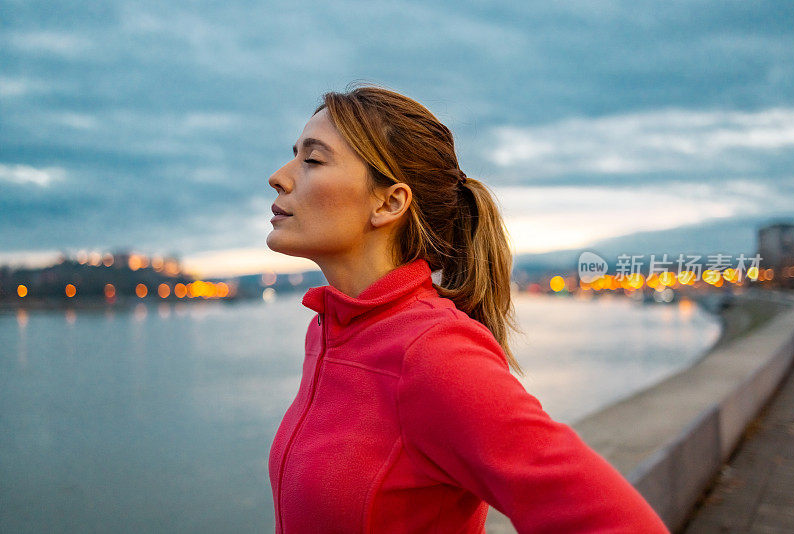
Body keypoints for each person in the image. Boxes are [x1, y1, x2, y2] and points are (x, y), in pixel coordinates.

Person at [266, 83, 668, 533]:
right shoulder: (327, 330)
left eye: (313, 160)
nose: (279, 176)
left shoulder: (433, 353)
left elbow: (620, 523)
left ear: (389, 202)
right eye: (295, 154)